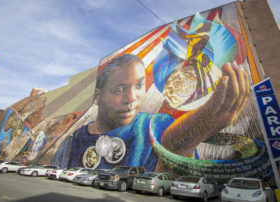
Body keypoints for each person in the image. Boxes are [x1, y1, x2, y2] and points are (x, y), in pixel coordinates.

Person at [61, 53, 249, 171]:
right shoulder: (73, 139)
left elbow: (178, 186)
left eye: (140, 85)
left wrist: (176, 148)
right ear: (97, 97)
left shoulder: (159, 126)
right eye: (119, 90)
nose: (132, 97)